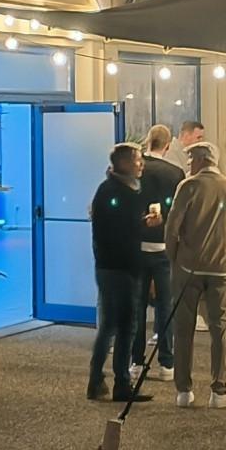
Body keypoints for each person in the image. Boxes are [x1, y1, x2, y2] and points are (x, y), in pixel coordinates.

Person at [164, 141, 226, 409]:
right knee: (220, 329)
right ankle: (219, 390)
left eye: (191, 158)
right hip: (222, 269)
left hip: (187, 268)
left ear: (202, 160)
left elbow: (172, 227)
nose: (189, 163)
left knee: (184, 329)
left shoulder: (188, 187)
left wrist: (174, 256)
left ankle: (184, 390)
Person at [87, 143, 154, 403]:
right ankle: (119, 384)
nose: (141, 165)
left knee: (111, 326)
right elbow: (121, 234)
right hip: (119, 269)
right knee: (122, 327)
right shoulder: (115, 193)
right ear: (124, 163)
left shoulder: (113, 190)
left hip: (111, 267)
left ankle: (101, 380)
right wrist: (145, 226)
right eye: (138, 160)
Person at [131, 125, 185, 382]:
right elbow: (179, 213)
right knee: (165, 305)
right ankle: (166, 362)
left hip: (137, 246)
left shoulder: (136, 171)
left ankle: (136, 361)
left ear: (148, 141)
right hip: (164, 247)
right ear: (167, 145)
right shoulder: (175, 173)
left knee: (137, 305)